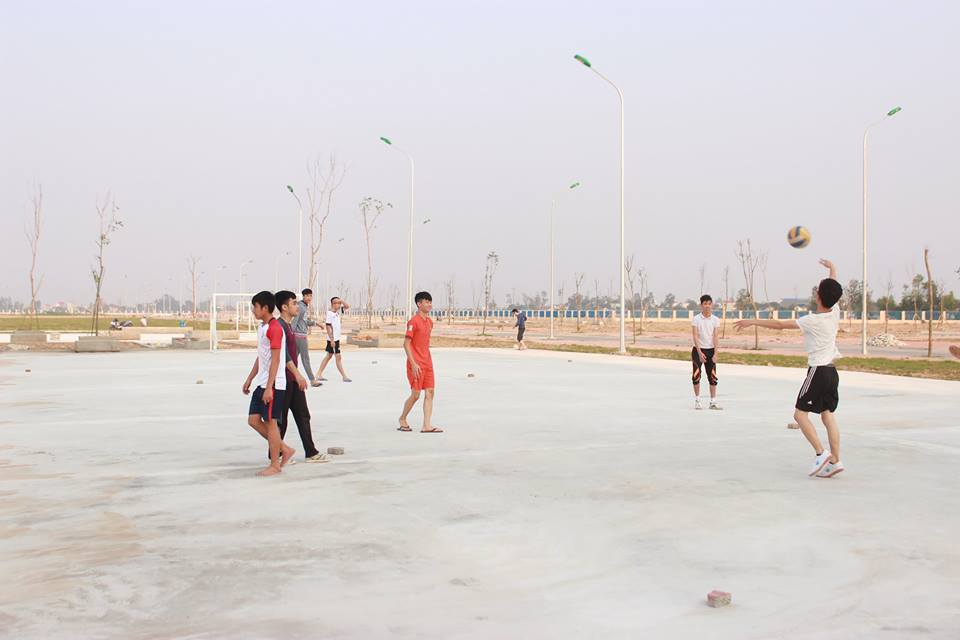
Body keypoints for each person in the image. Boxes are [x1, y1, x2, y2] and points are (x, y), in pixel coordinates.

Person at [735, 259, 844, 478]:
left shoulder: (812, 320)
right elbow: (832, 288)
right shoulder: (835, 312)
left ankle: (821, 454)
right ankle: (835, 461)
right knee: (827, 416)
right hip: (832, 372)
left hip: (818, 372)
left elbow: (780, 325)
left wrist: (753, 321)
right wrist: (833, 269)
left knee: (799, 415)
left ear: (818, 296)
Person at [242, 291, 295, 476]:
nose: (253, 311)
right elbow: (262, 357)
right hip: (262, 382)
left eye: (255, 307)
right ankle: (285, 449)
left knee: (271, 423)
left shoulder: (275, 328)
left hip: (273, 385)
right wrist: (250, 378)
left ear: (265, 308)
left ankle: (275, 464)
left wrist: (269, 387)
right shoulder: (263, 327)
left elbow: (276, 360)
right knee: (253, 420)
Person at [275, 290, 328, 463]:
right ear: (284, 307)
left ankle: (311, 452)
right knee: (281, 420)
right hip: (284, 381)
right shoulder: (280, 327)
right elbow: (283, 356)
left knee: (303, 415)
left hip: (293, 380)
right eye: (293, 303)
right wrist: (298, 375)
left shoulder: (289, 326)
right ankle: (277, 454)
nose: (297, 306)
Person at [398, 291, 443, 433]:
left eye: (430, 302)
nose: (429, 304)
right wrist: (413, 363)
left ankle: (426, 425)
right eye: (426, 302)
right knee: (416, 394)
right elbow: (406, 344)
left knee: (430, 392)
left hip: (427, 362)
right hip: (415, 363)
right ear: (419, 304)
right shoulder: (413, 322)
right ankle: (402, 418)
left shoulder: (430, 322)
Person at [691, 294, 722, 410]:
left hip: (711, 350)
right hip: (698, 350)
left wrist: (716, 353)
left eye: (709, 303)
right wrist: (699, 353)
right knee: (696, 376)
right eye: (705, 304)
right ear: (701, 305)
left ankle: (713, 402)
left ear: (711, 305)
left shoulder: (715, 320)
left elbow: (716, 337)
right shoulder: (696, 319)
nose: (707, 306)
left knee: (712, 377)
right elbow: (695, 336)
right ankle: (698, 400)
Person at [316, 296, 352, 382]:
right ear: (333, 304)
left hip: (336, 339)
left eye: (339, 303)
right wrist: (332, 340)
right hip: (333, 340)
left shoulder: (338, 312)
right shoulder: (330, 313)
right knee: (338, 357)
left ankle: (318, 374)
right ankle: (344, 376)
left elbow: (347, 306)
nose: (339, 305)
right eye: (337, 303)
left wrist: (341, 300)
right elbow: (328, 327)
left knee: (328, 356)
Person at [293, 289, 322, 387]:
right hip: (300, 337)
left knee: (292, 360)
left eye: (310, 296)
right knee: (305, 359)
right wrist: (290, 335)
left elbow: (304, 322)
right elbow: (295, 322)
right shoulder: (301, 307)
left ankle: (290, 378)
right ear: (303, 296)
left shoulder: (303, 307)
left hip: (298, 336)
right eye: (307, 295)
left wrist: (316, 323)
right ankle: (312, 380)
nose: (309, 298)